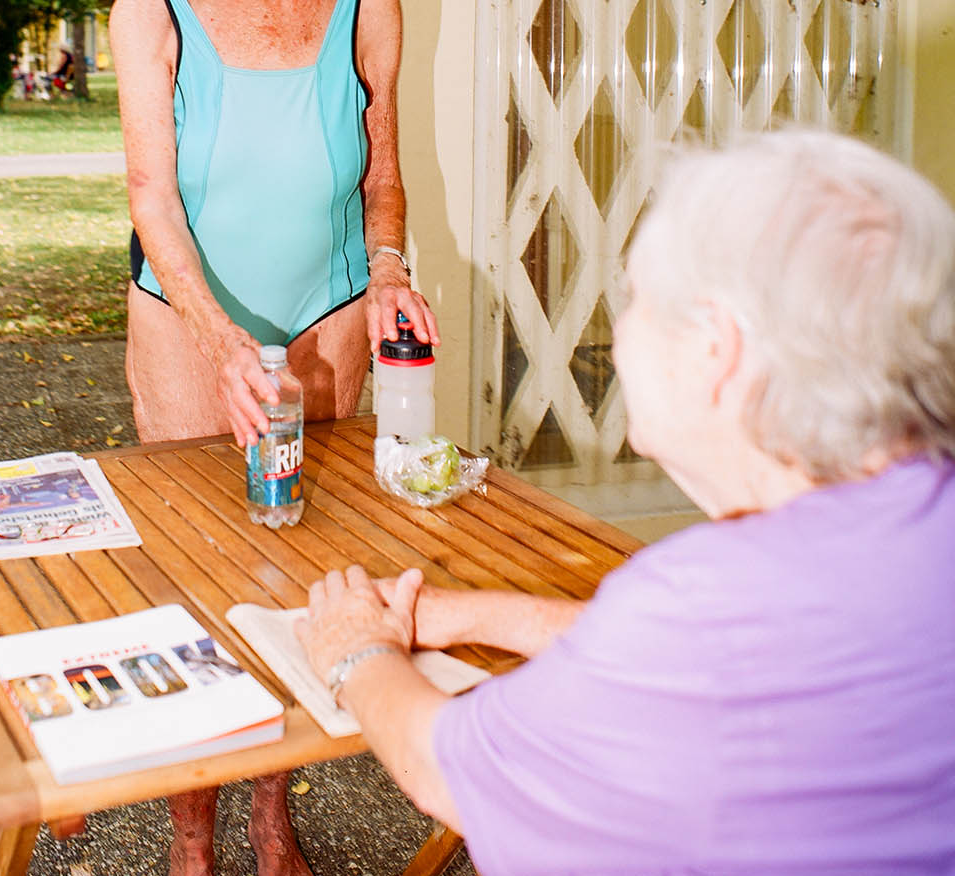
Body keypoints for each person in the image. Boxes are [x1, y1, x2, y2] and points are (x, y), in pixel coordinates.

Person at [298, 129, 955, 876]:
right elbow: (733, 647)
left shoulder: (694, 608)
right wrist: (473, 613)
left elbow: (441, 769)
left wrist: (355, 647)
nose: (620, 331)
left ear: (715, 350)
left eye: (637, 298)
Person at [109, 0, 439, 876]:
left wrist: (388, 267)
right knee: (199, 569)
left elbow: (382, 175)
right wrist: (217, 341)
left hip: (329, 317)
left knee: (303, 560)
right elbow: (151, 196)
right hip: (190, 319)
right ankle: (193, 833)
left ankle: (272, 810)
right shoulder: (150, 11)